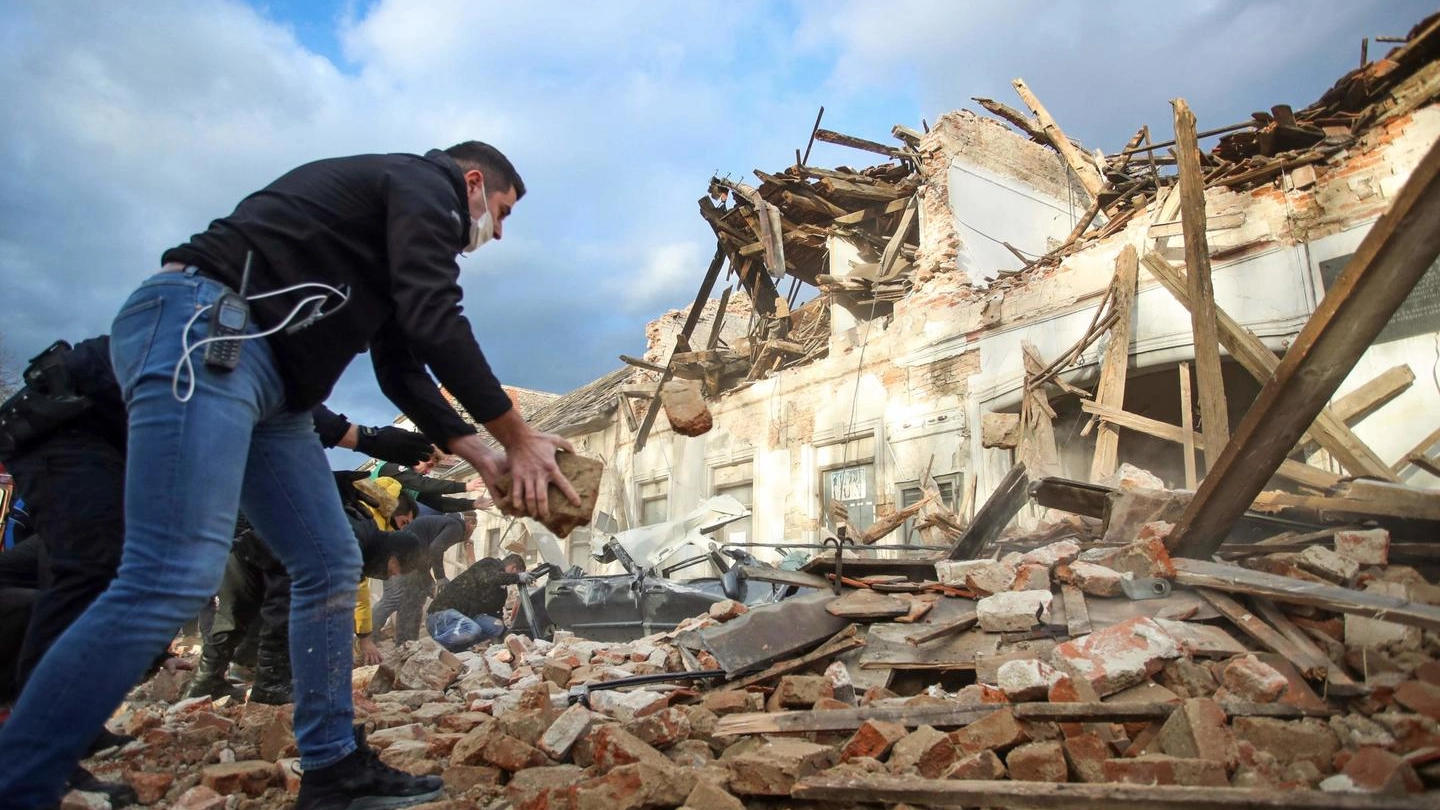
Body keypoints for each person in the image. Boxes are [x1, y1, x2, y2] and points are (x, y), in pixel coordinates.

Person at [0, 141, 580, 810]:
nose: (497, 233)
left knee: (330, 561)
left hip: (276, 387)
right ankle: (22, 781)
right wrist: (519, 434)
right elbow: (435, 314)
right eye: (501, 213)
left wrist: (484, 453)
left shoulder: (389, 241)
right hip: (207, 328)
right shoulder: (423, 182)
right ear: (473, 182)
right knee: (173, 571)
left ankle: (334, 768)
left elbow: (401, 364)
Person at [373, 511, 474, 643]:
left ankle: (406, 643)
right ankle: (367, 637)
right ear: (470, 524)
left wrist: (429, 583)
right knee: (392, 599)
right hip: (397, 559)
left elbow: (425, 556)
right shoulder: (456, 526)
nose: (471, 535)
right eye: (473, 528)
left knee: (414, 601)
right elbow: (436, 549)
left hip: (408, 562)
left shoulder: (440, 524)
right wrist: (440, 578)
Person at [425, 552, 532, 652]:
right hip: (440, 615)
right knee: (473, 629)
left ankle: (454, 650)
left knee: (496, 627)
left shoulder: (501, 591)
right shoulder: (489, 564)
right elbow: (490, 578)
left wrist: (506, 637)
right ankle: (431, 647)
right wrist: (517, 577)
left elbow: (496, 614)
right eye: (517, 574)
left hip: (462, 619)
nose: (513, 582)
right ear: (513, 569)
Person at [374, 457, 487, 513]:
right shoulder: (392, 466)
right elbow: (424, 484)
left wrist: (472, 504)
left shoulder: (411, 484)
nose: (428, 472)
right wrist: (465, 486)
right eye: (428, 465)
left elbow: (438, 503)